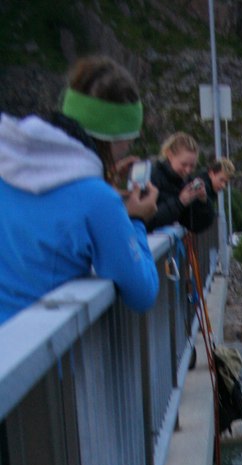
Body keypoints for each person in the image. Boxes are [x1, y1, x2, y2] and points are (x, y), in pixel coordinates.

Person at [0, 54, 159, 323]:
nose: (128, 148)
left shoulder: (8, 166)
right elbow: (142, 293)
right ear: (114, 138)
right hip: (51, 342)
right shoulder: (98, 199)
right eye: (129, 139)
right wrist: (136, 220)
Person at [146, 132, 215, 234]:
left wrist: (203, 201)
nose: (188, 170)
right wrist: (180, 202)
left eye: (192, 166)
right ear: (170, 155)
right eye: (184, 164)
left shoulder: (186, 181)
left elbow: (196, 225)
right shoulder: (152, 177)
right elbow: (147, 220)